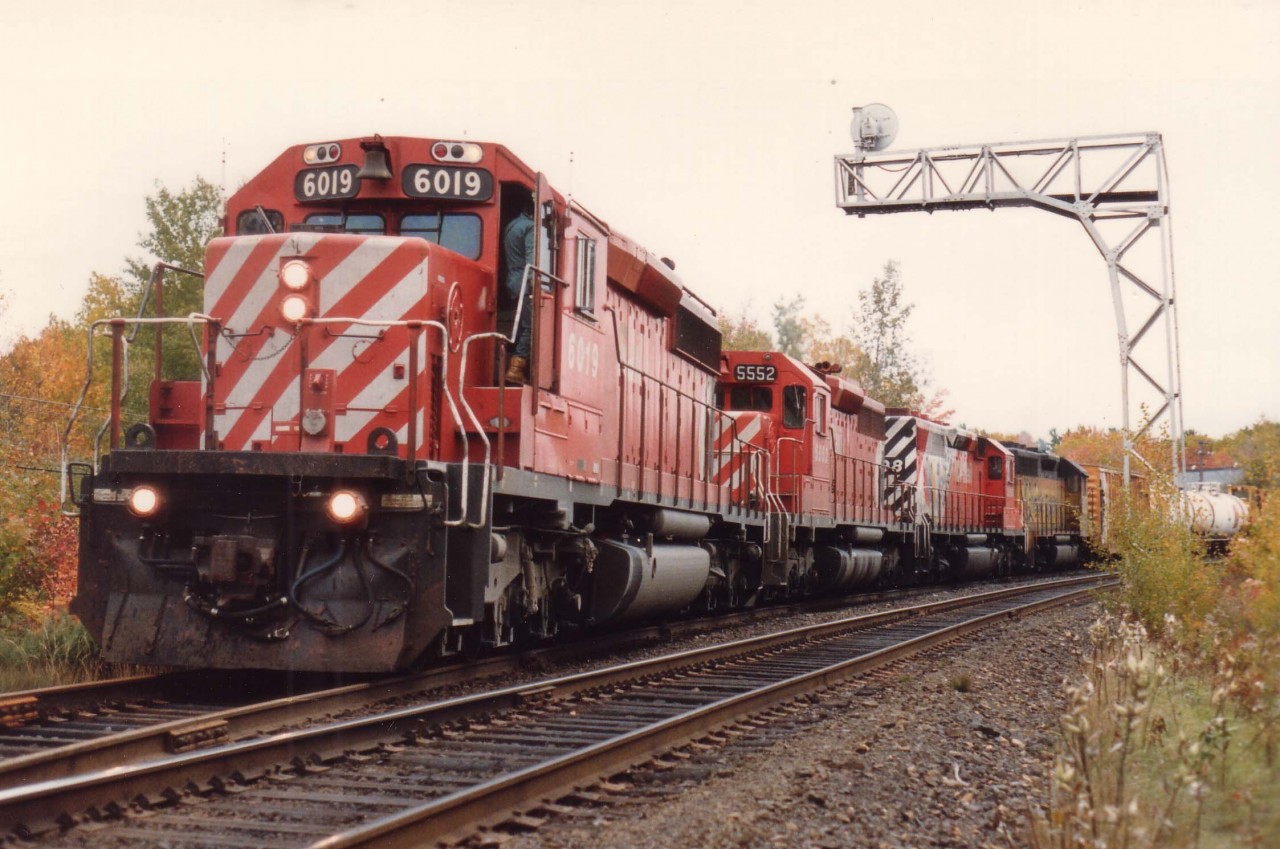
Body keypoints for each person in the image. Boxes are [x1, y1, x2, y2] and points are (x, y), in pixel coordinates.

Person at [502, 196, 535, 383]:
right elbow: (532, 255)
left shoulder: (512, 226)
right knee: (532, 325)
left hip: (512, 280)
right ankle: (516, 367)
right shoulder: (530, 227)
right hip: (524, 281)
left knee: (523, 323)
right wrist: (533, 280)